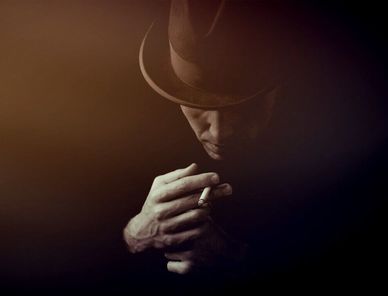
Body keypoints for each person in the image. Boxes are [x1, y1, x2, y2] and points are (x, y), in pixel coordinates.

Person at [122, 0, 386, 283]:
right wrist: (135, 235)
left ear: (282, 85)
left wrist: (237, 262)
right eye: (194, 103)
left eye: (244, 107)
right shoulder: (127, 133)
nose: (219, 133)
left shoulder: (353, 149)